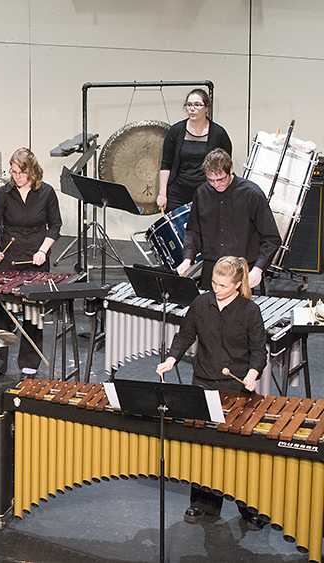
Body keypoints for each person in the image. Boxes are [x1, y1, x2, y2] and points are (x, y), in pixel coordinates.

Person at [156, 256, 267, 530]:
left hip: (234, 388)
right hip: (203, 382)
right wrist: (172, 358)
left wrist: (252, 374)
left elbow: (258, 352)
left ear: (238, 284)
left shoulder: (249, 311)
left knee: (239, 451)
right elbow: (185, 335)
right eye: (213, 283)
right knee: (203, 446)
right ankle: (204, 502)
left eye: (223, 285)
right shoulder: (201, 303)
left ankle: (249, 505)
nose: (216, 289)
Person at [0, 147, 62, 375]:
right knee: (0, 313)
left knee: (34, 315)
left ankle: (29, 363)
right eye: (13, 172)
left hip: (36, 259)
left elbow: (55, 226)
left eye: (20, 172)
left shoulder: (47, 193)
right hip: (9, 258)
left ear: (32, 172)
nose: (16, 176)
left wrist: (43, 251)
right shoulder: (4, 194)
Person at [176, 148, 281, 290]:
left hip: (242, 269)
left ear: (230, 169)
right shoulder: (202, 193)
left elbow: (272, 238)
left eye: (220, 179)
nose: (216, 184)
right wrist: (188, 258)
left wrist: (258, 269)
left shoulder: (251, 194)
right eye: (210, 180)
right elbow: (193, 231)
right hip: (212, 269)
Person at [158, 88, 232, 213]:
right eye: (189, 105)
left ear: (207, 108)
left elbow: (227, 167)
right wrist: (162, 194)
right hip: (177, 192)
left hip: (208, 191)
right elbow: (166, 164)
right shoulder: (176, 131)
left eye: (197, 105)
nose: (192, 108)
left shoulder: (219, 133)